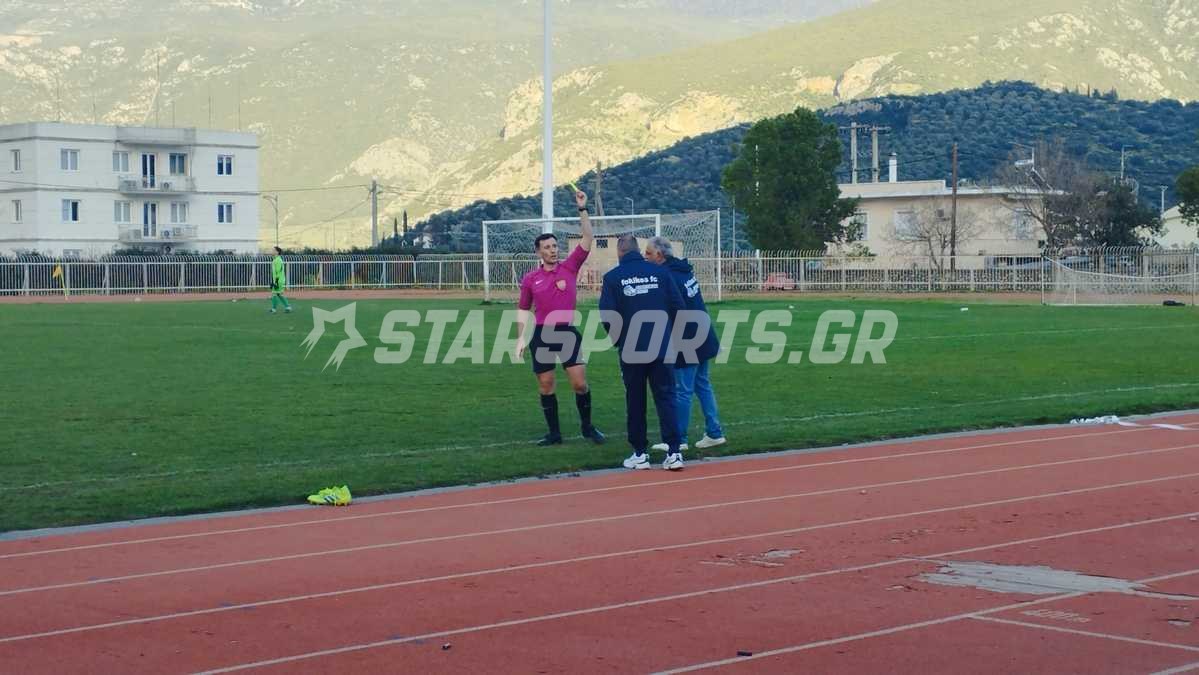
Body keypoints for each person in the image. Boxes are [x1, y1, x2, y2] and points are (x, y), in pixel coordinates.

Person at [515, 189, 605, 446]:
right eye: (547, 247)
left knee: (580, 385)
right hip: (542, 334)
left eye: (554, 246)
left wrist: (582, 208)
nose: (553, 250)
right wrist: (521, 338)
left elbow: (588, 237)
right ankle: (554, 434)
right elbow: (523, 309)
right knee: (546, 385)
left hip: (567, 333)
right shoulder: (531, 279)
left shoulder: (570, 267)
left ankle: (587, 428)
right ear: (538, 252)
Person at [599, 234, 686, 470]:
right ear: (638, 250)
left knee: (635, 400)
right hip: (661, 346)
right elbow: (679, 307)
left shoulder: (612, 277)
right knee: (666, 398)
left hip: (631, 348)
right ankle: (674, 452)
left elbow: (607, 315)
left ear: (620, 252)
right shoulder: (661, 273)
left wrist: (619, 340)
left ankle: (640, 453)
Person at [645, 236, 727, 453]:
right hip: (702, 333)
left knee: (682, 390)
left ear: (659, 255)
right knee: (702, 384)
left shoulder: (668, 276)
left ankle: (679, 438)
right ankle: (714, 432)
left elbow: (671, 310)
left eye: (649, 253)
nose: (646, 257)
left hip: (687, 337)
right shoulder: (684, 271)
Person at [270, 246, 292, 314]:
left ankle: (274, 309)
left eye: (273, 250)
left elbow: (278, 271)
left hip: (278, 280)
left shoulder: (277, 260)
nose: (272, 251)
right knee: (279, 294)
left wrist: (276, 281)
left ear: (277, 252)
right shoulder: (277, 259)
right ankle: (288, 307)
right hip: (280, 280)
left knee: (274, 294)